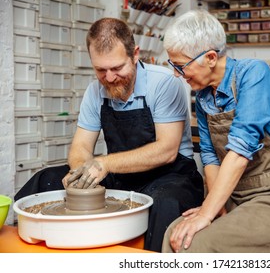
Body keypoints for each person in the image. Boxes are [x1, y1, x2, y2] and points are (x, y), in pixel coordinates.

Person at [14, 17, 204, 252]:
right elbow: (80, 147)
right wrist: (80, 172)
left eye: (117, 68)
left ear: (135, 54)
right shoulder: (95, 91)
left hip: (171, 175)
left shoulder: (164, 83)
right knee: (46, 180)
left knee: (165, 202)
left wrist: (102, 163)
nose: (110, 77)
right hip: (121, 174)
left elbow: (166, 150)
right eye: (100, 70)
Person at [161, 9, 270, 253]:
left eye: (180, 66)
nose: (176, 73)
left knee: (193, 245)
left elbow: (240, 150)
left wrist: (206, 213)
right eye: (173, 65)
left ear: (211, 58)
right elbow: (210, 155)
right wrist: (216, 205)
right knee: (175, 234)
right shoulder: (205, 95)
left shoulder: (254, 73)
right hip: (238, 193)